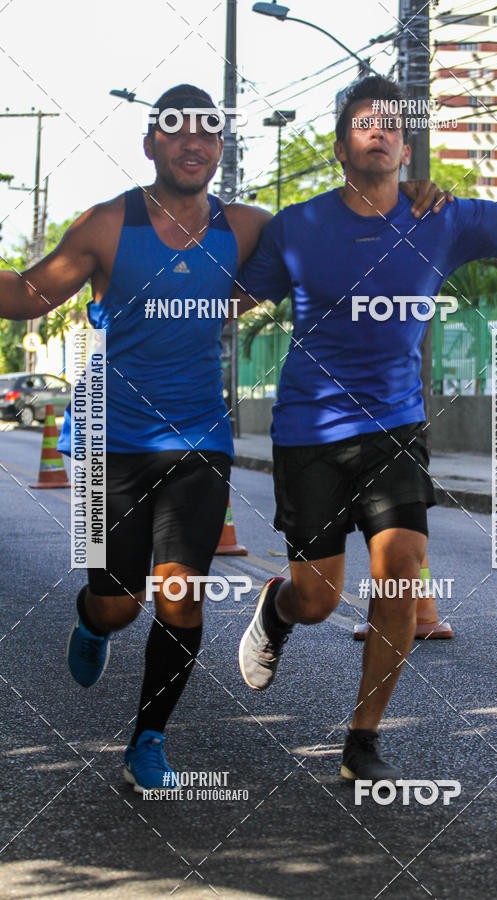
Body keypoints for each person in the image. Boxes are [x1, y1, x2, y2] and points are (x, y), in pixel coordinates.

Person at [0, 84, 446, 791]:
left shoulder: (245, 228)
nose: (193, 143)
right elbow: (25, 296)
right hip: (111, 444)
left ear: (219, 149)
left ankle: (148, 738)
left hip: (199, 442)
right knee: (119, 601)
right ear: (152, 144)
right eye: (177, 132)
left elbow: (339, 225)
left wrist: (411, 191)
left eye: (208, 132)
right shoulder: (106, 225)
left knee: (181, 596)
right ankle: (92, 621)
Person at [236, 60, 497, 781]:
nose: (380, 133)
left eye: (392, 127)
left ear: (406, 151)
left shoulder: (444, 218)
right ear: (340, 149)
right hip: (309, 431)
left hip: (395, 428)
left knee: (399, 573)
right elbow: (235, 296)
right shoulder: (299, 227)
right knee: (319, 597)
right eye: (364, 124)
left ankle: (363, 735)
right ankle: (278, 610)